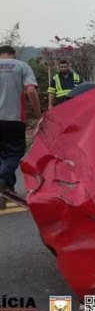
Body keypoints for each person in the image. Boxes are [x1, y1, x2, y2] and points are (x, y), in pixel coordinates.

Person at [0, 45, 41, 209]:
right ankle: (2, 181)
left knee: (1, 154)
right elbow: (31, 91)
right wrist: (39, 114)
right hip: (14, 119)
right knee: (13, 152)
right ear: (13, 54)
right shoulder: (21, 66)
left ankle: (7, 188)